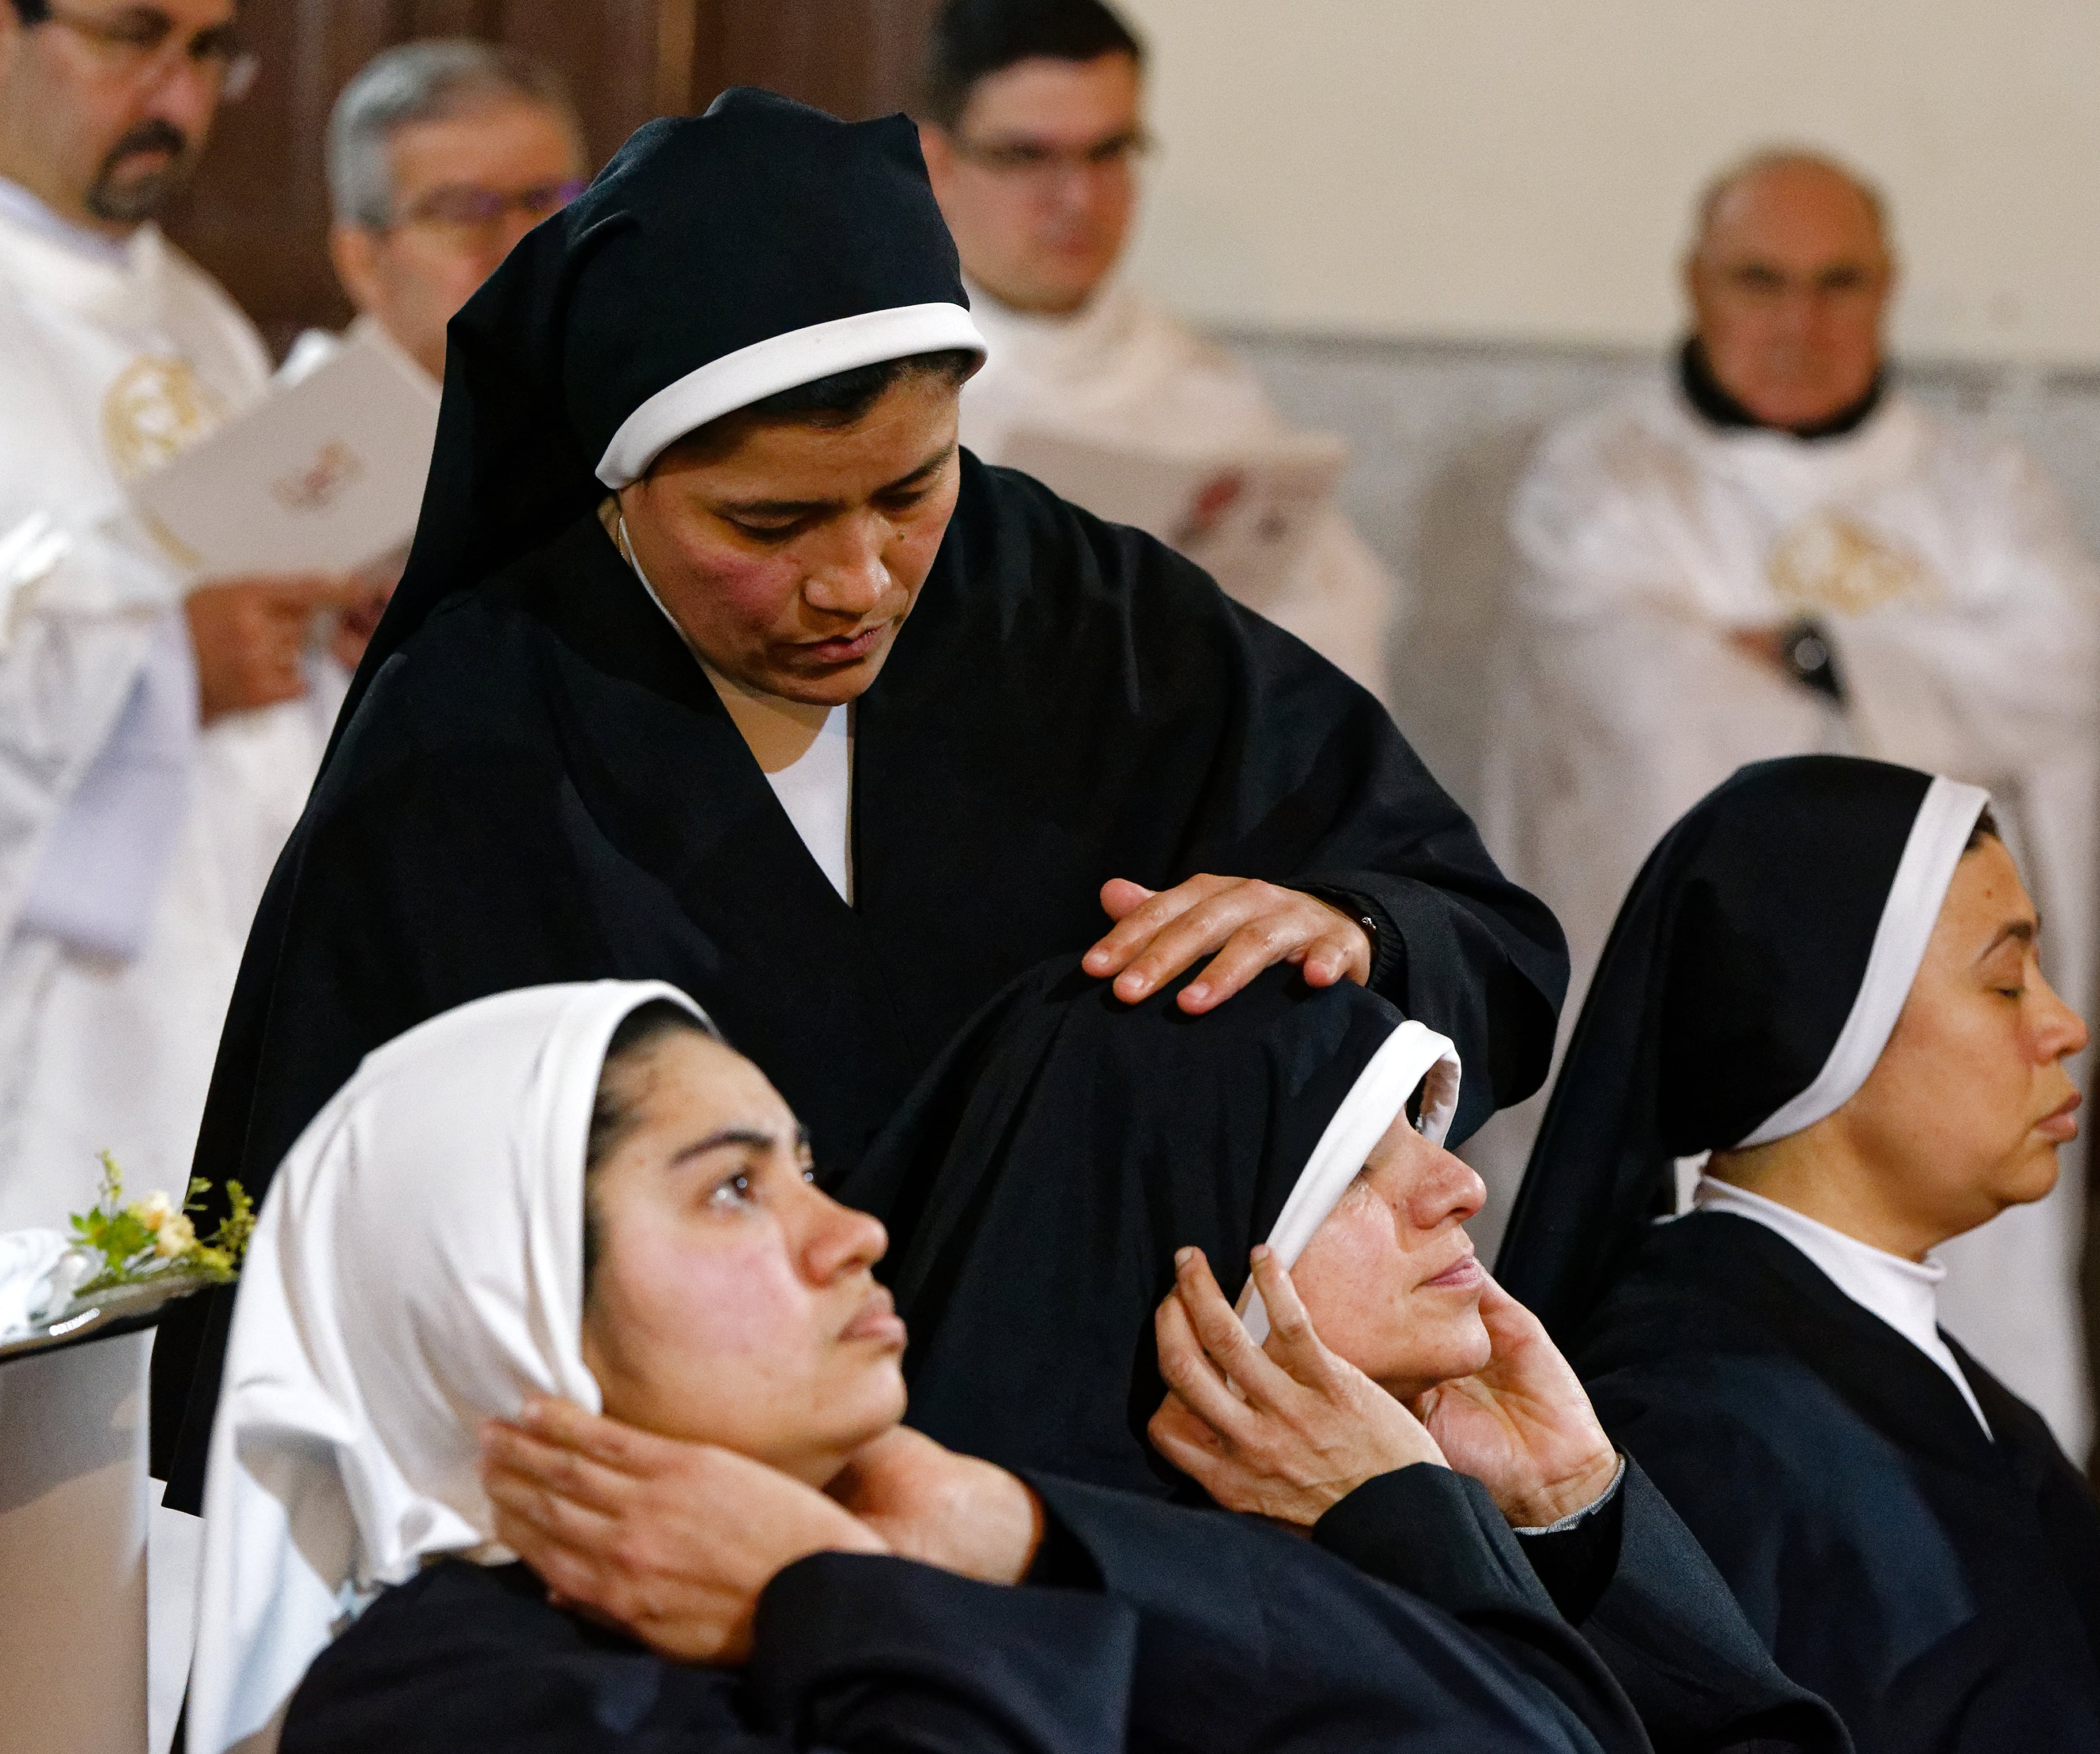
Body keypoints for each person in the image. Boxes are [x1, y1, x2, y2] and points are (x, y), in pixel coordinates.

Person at [153, 89, 1566, 1516]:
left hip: (1104, 1537)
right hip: (668, 1541)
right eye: (766, 525)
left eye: (911, 490)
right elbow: (357, 1263)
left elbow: (1492, 943)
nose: (857, 579)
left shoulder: (1081, 614)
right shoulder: (469, 740)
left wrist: (1352, 923)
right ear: (621, 485)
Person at [192, 981, 1648, 1754]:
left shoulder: (922, 1556)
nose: (850, 1234)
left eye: (807, 1169)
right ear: (494, 1295)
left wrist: (998, 1542)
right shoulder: (450, 1702)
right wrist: (839, 1598)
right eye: (730, 1190)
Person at [1479, 148, 2100, 1453]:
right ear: (1693, 285)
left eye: (1839, 284)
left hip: (1940, 1046)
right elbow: (1661, 732)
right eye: (1759, 280)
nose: (1797, 321)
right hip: (1707, 1036)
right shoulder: (1599, 481)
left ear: (1889, 293)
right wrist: (1924, 668)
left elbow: (2056, 666)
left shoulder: (1984, 490)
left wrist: (1823, 651)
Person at [856, 956, 1846, 1754]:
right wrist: (1414, 1525)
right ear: (1177, 1246)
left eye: (1423, 1133)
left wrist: (1571, 1515)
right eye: (1350, 1171)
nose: (1462, 1185)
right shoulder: (1072, 1678)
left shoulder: (1409, 1549)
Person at [1497, 756, 2100, 1754]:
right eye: (2005, 979)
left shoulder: (1945, 1392)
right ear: (1826, 1018)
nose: (2063, 1025)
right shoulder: (1693, 1422)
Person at [0, 2, 369, 1745]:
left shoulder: (203, 320)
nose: (177, 94)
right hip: (49, 1032)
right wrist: (158, 659)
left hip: (211, 995)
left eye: (210, 48)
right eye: (134, 33)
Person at [913, 0, 1396, 693]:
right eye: (1028, 155)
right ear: (939, 165)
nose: (1078, 197)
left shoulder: (1209, 391)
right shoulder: (875, 388)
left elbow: (1333, 642)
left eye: (1108, 151)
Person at [289, 38, 587, 393]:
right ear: (363, 263)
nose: (523, 247)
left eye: (543, 202)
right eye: (465, 212)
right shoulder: (283, 442)